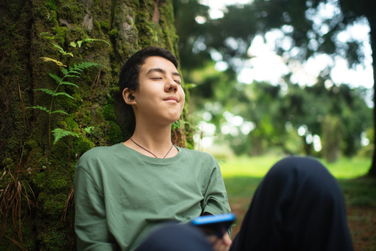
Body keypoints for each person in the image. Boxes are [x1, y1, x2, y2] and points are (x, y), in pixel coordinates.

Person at [74, 47, 354, 251]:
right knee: (174, 239)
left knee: (302, 172)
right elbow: (93, 245)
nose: (173, 85)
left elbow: (219, 233)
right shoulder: (98, 163)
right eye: (158, 77)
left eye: (178, 80)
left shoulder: (204, 164)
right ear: (130, 95)